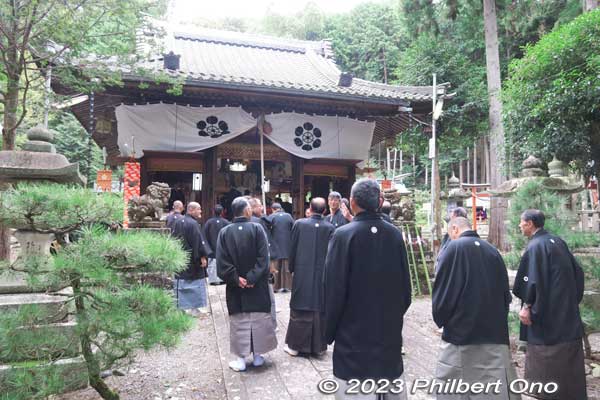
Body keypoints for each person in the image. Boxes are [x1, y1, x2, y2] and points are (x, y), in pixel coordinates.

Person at [325, 179, 411, 400]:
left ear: (351, 202)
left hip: (352, 334)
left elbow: (333, 289)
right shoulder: (394, 235)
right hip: (388, 333)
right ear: (379, 201)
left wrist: (329, 332)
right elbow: (405, 290)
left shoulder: (343, 235)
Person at [432, 217, 520, 400]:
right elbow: (505, 295)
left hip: (461, 334)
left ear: (454, 229)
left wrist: (441, 317)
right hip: (494, 334)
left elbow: (444, 292)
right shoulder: (492, 251)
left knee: (456, 388)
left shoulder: (453, 249)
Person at [513, 209, 586, 400]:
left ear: (529, 224)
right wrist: (570, 301)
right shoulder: (558, 242)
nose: (519, 226)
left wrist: (528, 305)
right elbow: (578, 273)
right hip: (566, 313)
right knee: (569, 369)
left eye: (521, 222)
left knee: (545, 365)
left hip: (545, 316)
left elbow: (532, 280)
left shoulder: (536, 246)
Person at [216, 197, 277, 372]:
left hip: (237, 288)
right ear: (247, 211)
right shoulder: (257, 229)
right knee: (259, 319)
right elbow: (263, 259)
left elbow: (222, 262)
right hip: (257, 286)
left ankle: (241, 359)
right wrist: (251, 278)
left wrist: (237, 279)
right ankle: (258, 356)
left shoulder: (225, 232)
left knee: (240, 320)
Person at [284, 197, 335, 357]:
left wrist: (291, 268)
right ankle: (319, 347)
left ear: (310, 209)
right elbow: (333, 255)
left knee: (300, 305)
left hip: (301, 272)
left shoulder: (299, 224)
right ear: (324, 211)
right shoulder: (330, 228)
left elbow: (292, 249)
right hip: (323, 274)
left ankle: (295, 346)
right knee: (319, 306)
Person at [171, 202, 212, 316]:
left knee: (181, 282)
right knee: (196, 284)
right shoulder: (193, 224)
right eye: (199, 209)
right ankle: (195, 308)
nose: (200, 211)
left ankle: (182, 308)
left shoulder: (177, 222)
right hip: (193, 260)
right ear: (191, 210)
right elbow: (198, 242)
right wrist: (203, 256)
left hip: (181, 258)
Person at [248, 197, 278, 330]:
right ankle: (271, 323)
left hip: (247, 267)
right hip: (261, 266)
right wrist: (271, 264)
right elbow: (266, 246)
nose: (262, 208)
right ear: (253, 208)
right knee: (268, 296)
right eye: (260, 206)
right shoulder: (259, 223)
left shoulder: (241, 223)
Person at [267, 202, 294, 292]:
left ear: (273, 209)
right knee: (287, 268)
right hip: (287, 244)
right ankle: (288, 286)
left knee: (276, 268)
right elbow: (293, 228)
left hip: (275, 245)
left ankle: (275, 287)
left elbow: (267, 229)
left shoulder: (271, 216)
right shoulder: (289, 216)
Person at [203, 205, 230, 285]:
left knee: (212, 264)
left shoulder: (208, 222)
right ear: (222, 212)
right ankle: (223, 279)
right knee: (223, 263)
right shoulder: (226, 222)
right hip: (223, 248)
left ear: (213, 211)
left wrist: (207, 249)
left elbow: (204, 236)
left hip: (212, 248)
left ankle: (213, 280)